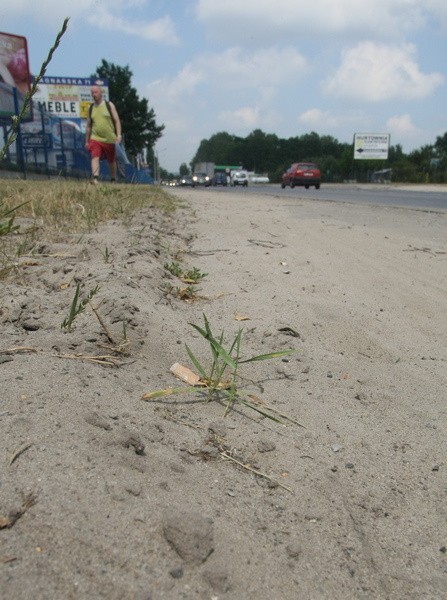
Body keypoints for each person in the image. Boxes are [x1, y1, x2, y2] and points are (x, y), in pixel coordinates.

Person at [84, 85, 122, 183]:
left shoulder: (109, 105)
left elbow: (117, 120)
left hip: (109, 139)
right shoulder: (91, 108)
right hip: (95, 137)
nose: (94, 94)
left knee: (111, 160)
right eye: (92, 93)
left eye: (96, 92)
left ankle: (113, 178)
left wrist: (118, 135)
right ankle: (95, 177)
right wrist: (87, 141)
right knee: (95, 156)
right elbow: (88, 125)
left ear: (101, 93)